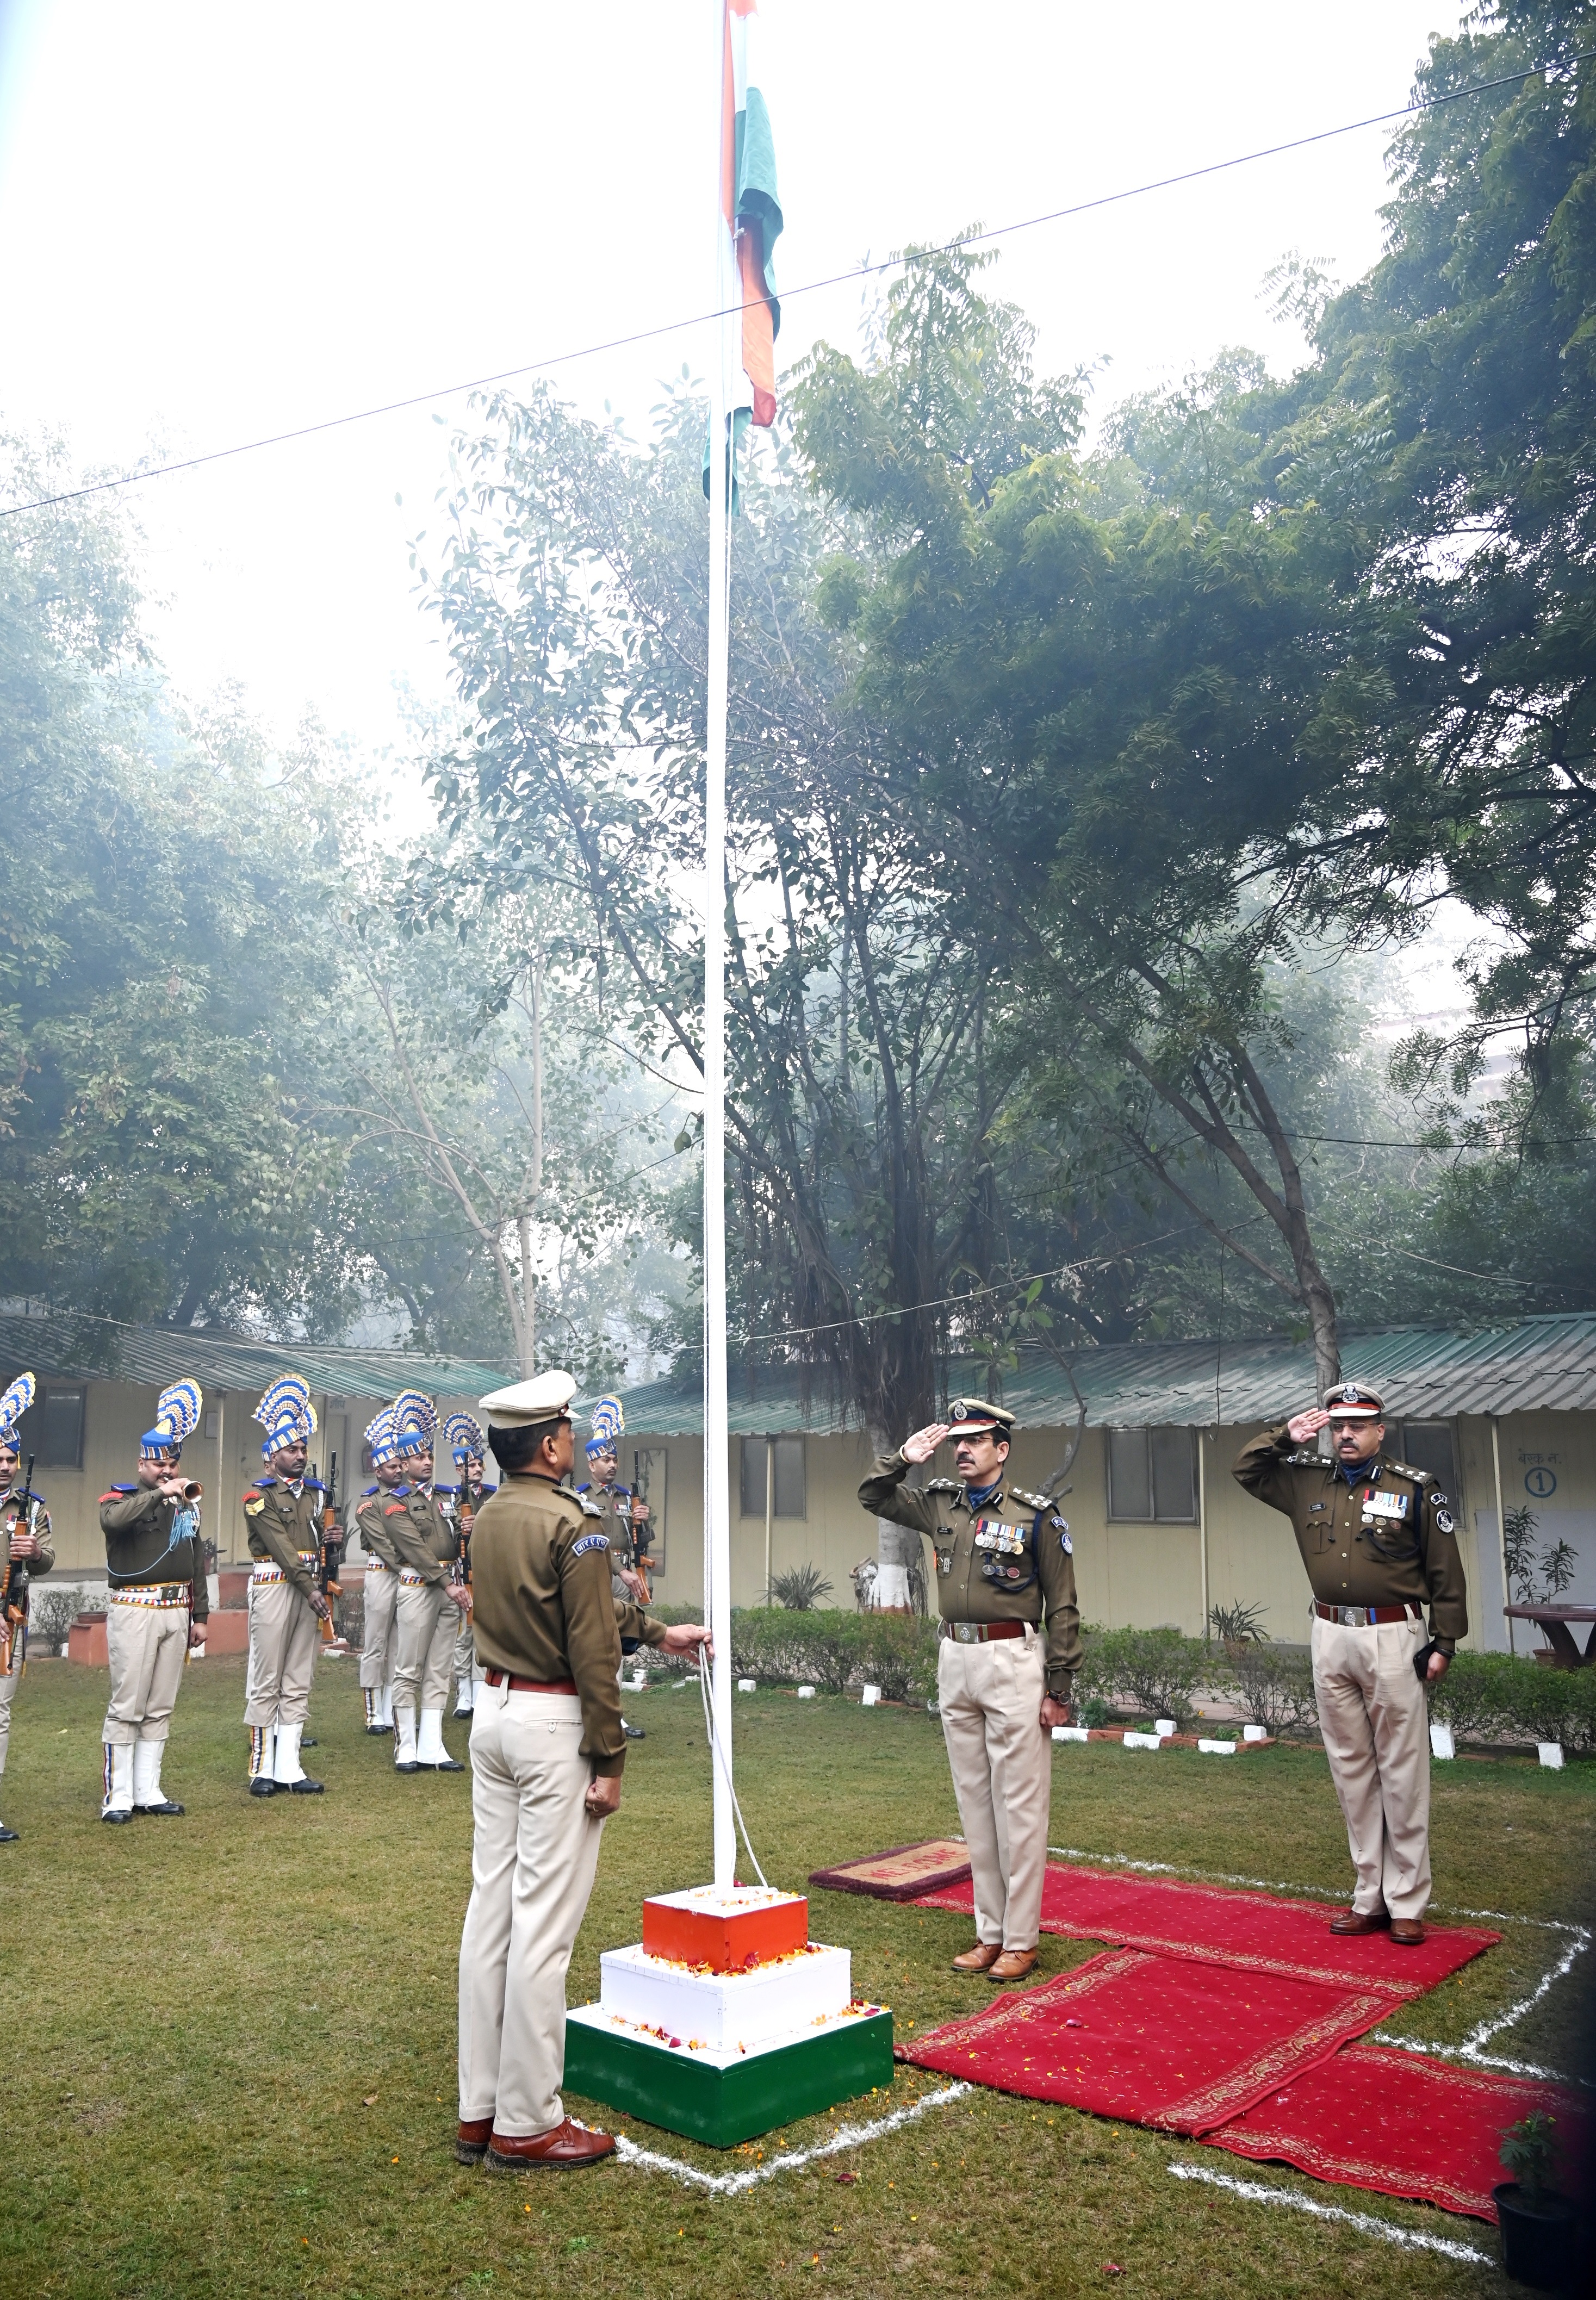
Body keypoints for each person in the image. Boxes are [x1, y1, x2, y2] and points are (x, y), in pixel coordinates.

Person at [455, 1370, 711, 2171]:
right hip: (549, 1723)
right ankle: (528, 2120)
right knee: (542, 1927)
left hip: (494, 1714)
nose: (573, 1438)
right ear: (550, 1442)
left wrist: (657, 1629)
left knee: (491, 1911)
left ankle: (481, 2108)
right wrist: (610, 1755)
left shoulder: (490, 1514)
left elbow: (579, 1609)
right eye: (566, 1427)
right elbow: (590, 1645)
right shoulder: (577, 1521)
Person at [1233, 1384, 1467, 1945]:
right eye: (1336, 1426)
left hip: (1393, 1634)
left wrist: (1445, 1641)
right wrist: (1284, 1437)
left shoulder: (1413, 1488)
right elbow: (1246, 1468)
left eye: (1357, 1426)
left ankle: (1407, 1899)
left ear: (1379, 1432)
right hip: (1330, 1632)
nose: (1345, 1435)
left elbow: (1445, 1572)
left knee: (1401, 1769)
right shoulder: (1304, 1479)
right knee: (1350, 1769)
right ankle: (1370, 1896)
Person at [859, 1398, 1080, 1982]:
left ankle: (1021, 1939)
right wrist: (902, 1459)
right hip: (954, 1656)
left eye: (976, 1440)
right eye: (957, 1440)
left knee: (1020, 1808)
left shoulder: (1037, 1516)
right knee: (975, 1807)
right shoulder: (937, 1504)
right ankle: (989, 1933)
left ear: (1001, 1450)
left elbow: (1062, 1606)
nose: (962, 1449)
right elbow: (873, 1497)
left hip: (1012, 1658)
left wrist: (1059, 1686)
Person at [96, 1379, 209, 1823]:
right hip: (135, 1610)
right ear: (141, 1463)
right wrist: (160, 1493)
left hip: (175, 1611)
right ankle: (118, 1794)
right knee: (128, 1703)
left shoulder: (186, 1506)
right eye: (158, 1463)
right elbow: (113, 1522)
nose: (167, 1470)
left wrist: (200, 1615)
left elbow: (197, 1559)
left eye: (172, 1463)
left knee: (161, 1703)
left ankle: (148, 1789)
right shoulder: (120, 1497)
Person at [243, 1375, 332, 1798]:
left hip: (309, 1587)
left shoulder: (316, 1495)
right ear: (271, 1457)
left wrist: (334, 1541)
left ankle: (290, 1766)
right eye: (290, 1450)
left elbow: (316, 1545)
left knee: (298, 1677)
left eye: (302, 1449)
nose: (299, 1456)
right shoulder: (257, 1497)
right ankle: (261, 1767)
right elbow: (281, 1547)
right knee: (268, 1677)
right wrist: (310, 1587)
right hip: (279, 1587)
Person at [378, 1390, 470, 1775]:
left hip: (450, 1586)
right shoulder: (393, 1502)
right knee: (409, 1668)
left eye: (429, 1455)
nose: (427, 1462)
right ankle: (406, 1745)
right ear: (402, 1463)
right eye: (419, 1457)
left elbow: (456, 1543)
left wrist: (469, 1529)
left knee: (440, 1668)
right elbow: (414, 1547)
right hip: (421, 1587)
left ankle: (433, 1744)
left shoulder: (450, 1496)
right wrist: (447, 1583)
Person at [579, 1395, 651, 1740]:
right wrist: (619, 1570)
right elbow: (589, 1540)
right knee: (596, 1645)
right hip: (597, 1575)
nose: (611, 1465)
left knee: (621, 1645)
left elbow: (642, 1540)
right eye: (605, 1460)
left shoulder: (626, 1497)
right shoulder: (580, 1497)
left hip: (627, 1577)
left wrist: (644, 1522)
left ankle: (615, 1712)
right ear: (591, 1465)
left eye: (614, 1459)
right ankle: (594, 1711)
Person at [0, 1374, 51, 1843]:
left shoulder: (31, 1509)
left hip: (10, 1626)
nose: (5, 1466)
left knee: (0, 1713)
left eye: (11, 1458)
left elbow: (47, 1564)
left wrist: (33, 1551)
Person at [350, 1407, 407, 1736]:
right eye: (392, 1467)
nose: (398, 1471)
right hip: (383, 1572)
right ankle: (374, 1713)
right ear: (377, 1469)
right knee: (376, 1643)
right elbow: (385, 1545)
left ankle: (392, 1707)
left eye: (400, 1465)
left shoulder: (408, 1498)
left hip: (407, 1575)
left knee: (400, 1645)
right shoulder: (368, 1502)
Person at [440, 1413, 493, 1721]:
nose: (475, 1470)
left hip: (486, 1569)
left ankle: (480, 1689)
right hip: (461, 1570)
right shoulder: (448, 1498)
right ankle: (463, 1693)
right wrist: (460, 1526)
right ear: (459, 1469)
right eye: (470, 1465)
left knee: (483, 1630)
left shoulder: (492, 1495)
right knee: (464, 1632)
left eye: (478, 1465)